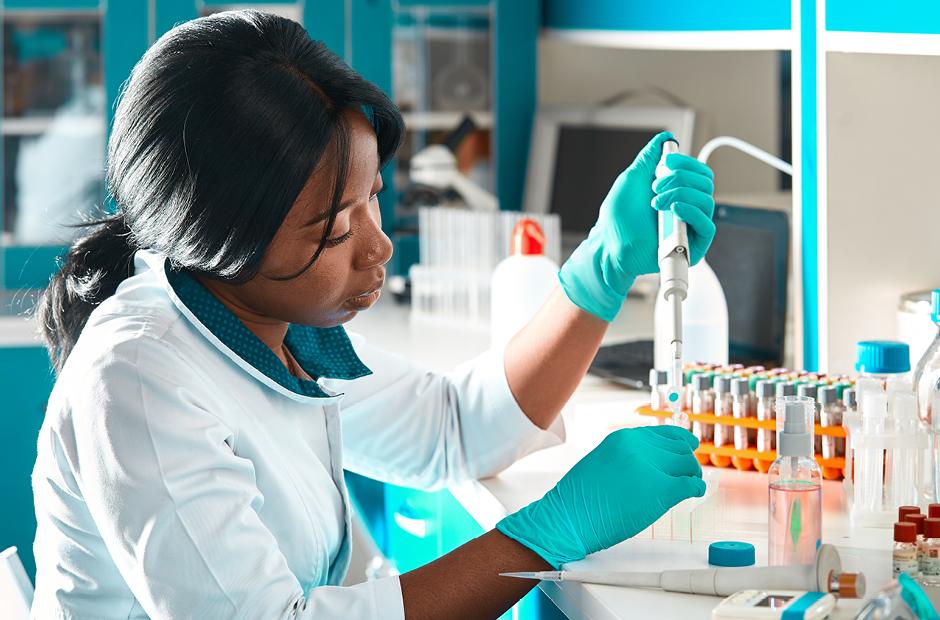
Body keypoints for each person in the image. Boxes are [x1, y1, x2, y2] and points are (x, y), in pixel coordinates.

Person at [30, 10, 717, 619]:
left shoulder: (266, 324)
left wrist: (600, 268)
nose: (379, 245)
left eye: (373, 196)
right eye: (333, 230)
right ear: (222, 244)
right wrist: (547, 533)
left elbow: (454, 429)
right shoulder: (139, 379)